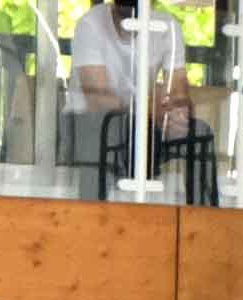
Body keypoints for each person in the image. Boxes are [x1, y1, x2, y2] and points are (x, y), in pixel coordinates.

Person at [64, 0, 210, 199]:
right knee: (108, 126)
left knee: (200, 131)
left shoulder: (168, 27)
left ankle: (204, 216)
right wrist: (154, 110)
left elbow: (179, 93)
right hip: (87, 124)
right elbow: (99, 100)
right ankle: (92, 212)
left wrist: (176, 115)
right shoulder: (90, 24)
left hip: (141, 125)